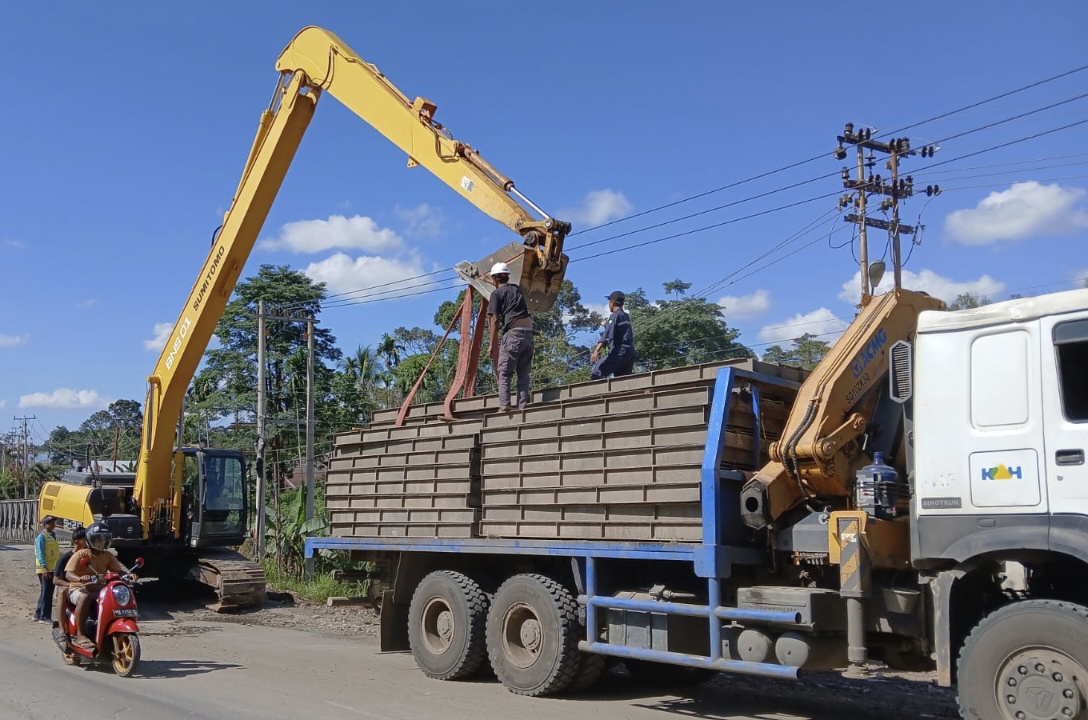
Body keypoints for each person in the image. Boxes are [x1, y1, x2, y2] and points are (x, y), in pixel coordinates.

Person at [64, 522, 129, 650]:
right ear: (90, 539)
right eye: (99, 539)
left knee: (115, 598)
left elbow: (118, 571)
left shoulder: (108, 556)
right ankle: (80, 635)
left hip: (100, 590)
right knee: (84, 597)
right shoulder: (82, 554)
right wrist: (79, 578)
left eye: (104, 539)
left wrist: (129, 575)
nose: (102, 542)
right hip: (78, 589)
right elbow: (68, 574)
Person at [487, 261, 534, 412]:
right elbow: (506, 290)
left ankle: (505, 404)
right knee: (523, 373)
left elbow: (494, 319)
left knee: (505, 372)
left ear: (494, 279)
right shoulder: (517, 290)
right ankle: (522, 406)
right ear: (506, 276)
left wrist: (492, 344)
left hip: (513, 335)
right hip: (528, 336)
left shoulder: (495, 294)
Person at [591, 291, 636, 380]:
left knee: (597, 371)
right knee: (622, 380)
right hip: (629, 353)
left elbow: (607, 334)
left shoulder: (614, 316)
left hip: (619, 351)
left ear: (612, 302)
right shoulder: (625, 316)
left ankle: (600, 393)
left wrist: (596, 350)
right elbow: (610, 326)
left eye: (609, 302)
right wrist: (597, 321)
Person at [51, 527, 87, 627]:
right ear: (77, 541)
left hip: (85, 585)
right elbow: (56, 580)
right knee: (63, 591)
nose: (88, 542)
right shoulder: (65, 558)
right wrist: (72, 584)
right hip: (67, 585)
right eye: (85, 539)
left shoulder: (89, 555)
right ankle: (62, 628)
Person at [33, 516, 60, 623]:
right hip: (46, 569)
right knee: (47, 593)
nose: (53, 524)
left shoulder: (52, 536)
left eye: (54, 522)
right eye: (50, 523)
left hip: (52, 568)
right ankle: (44, 617)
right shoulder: (42, 537)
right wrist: (44, 567)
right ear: (45, 525)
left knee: (45, 591)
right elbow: (40, 553)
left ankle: (38, 613)